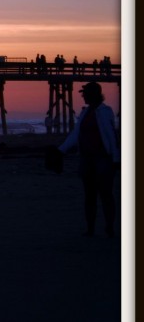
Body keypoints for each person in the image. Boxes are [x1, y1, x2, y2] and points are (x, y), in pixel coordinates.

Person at [57, 82, 120, 237]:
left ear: (93, 94)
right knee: (89, 195)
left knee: (106, 194)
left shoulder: (105, 112)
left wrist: (116, 157)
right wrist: (60, 150)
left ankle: (109, 228)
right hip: (87, 159)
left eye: (84, 93)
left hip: (103, 159)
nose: (82, 95)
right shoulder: (85, 113)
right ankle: (90, 228)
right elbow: (76, 135)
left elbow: (112, 136)